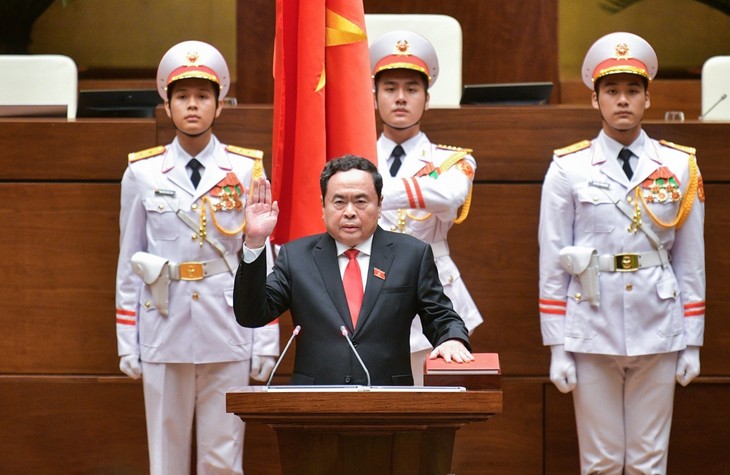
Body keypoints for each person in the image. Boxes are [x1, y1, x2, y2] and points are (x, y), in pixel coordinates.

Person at [538, 32, 705, 474]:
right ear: (595, 99)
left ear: (648, 97)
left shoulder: (679, 165)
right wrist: (557, 345)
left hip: (659, 321)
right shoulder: (567, 167)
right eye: (611, 91)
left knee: (651, 461)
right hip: (592, 322)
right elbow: (553, 258)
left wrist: (693, 340)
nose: (622, 101)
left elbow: (691, 259)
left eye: (633, 90)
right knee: (600, 461)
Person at [115, 40, 280, 475]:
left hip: (227, 323)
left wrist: (265, 337)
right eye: (183, 96)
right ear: (166, 105)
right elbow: (129, 260)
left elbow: (263, 256)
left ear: (220, 105)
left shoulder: (245, 169)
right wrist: (125, 337)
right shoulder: (142, 172)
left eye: (203, 96)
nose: (193, 105)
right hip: (162, 322)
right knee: (165, 455)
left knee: (223, 454)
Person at [234, 155, 474, 386]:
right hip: (315, 402)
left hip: (388, 401)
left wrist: (451, 339)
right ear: (323, 205)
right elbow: (252, 315)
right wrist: (255, 242)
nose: (349, 212)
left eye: (360, 201)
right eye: (339, 202)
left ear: (380, 205)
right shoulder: (296, 257)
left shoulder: (411, 255)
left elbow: (440, 316)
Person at [369, 30, 483, 384]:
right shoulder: (355, 156)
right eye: (390, 89)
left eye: (412, 89)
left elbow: (449, 198)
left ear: (427, 99)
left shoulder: (453, 160)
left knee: (430, 409)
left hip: (433, 291)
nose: (400, 98)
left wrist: (366, 188)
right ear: (373, 98)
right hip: (369, 287)